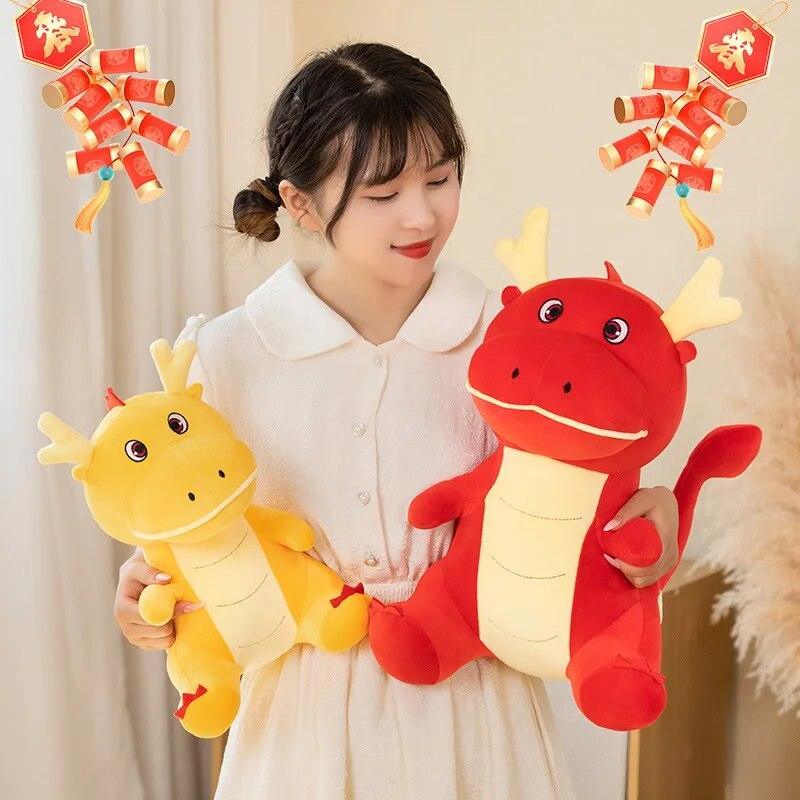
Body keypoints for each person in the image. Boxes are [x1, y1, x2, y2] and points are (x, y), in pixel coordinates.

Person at [113, 42, 680, 799]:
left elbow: (579, 499)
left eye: (440, 179)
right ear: (301, 204)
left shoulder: (512, 341)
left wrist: (652, 516)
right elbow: (188, 526)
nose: (422, 215)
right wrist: (144, 589)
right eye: (383, 194)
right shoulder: (224, 356)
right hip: (303, 730)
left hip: (477, 713)